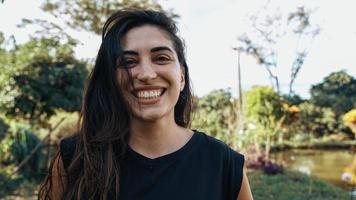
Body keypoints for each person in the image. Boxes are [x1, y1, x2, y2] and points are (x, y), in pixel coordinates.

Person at [38, 8, 253, 200]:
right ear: (111, 79)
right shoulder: (76, 159)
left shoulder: (224, 164)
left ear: (182, 77)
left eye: (161, 58)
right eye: (128, 62)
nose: (146, 74)